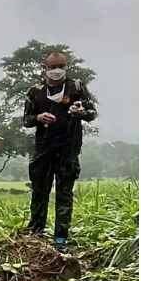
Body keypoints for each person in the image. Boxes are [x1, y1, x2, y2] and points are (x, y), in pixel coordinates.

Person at [22, 51, 98, 251]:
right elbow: (26, 119)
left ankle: (61, 239)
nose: (56, 70)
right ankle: (36, 234)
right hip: (43, 148)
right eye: (52, 67)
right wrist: (39, 118)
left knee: (64, 193)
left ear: (67, 66)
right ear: (45, 68)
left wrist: (80, 113)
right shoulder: (36, 91)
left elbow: (92, 113)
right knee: (39, 191)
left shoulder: (76, 88)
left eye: (60, 66)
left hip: (69, 148)